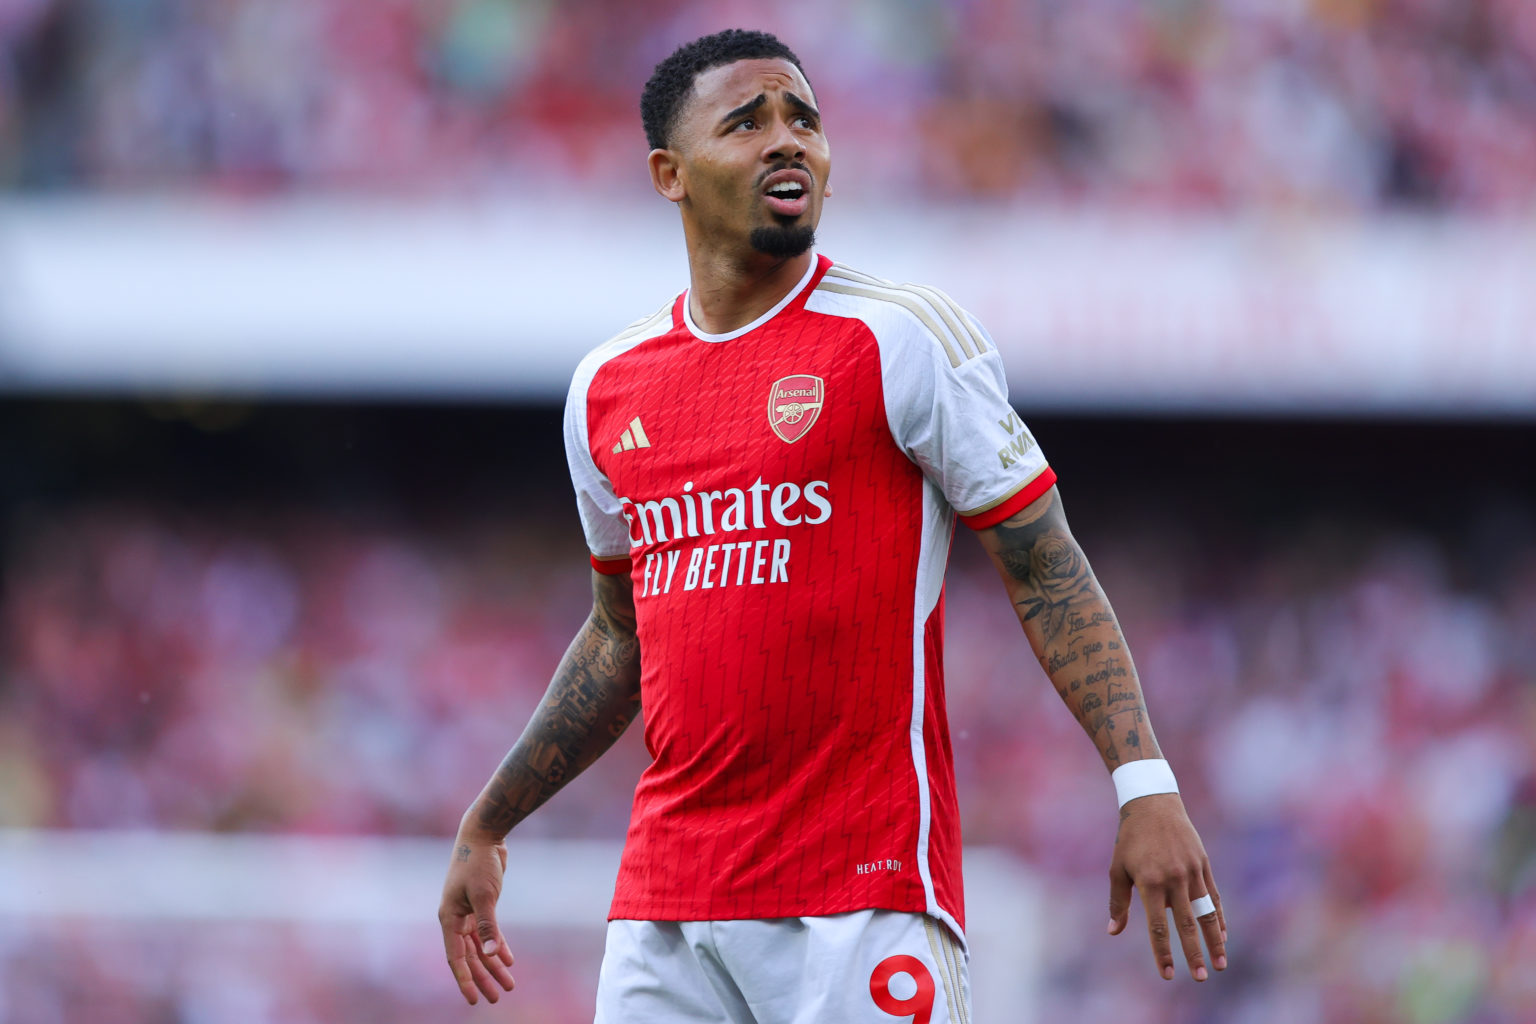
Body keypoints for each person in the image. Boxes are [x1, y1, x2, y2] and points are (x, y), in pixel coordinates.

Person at [438, 28, 1227, 1022]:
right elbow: (618, 633)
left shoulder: (898, 335)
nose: (788, 141)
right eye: (749, 121)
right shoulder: (607, 389)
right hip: (666, 911)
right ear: (669, 173)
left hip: (861, 898)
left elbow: (1043, 562)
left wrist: (1142, 780)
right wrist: (489, 819)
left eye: (804, 119)